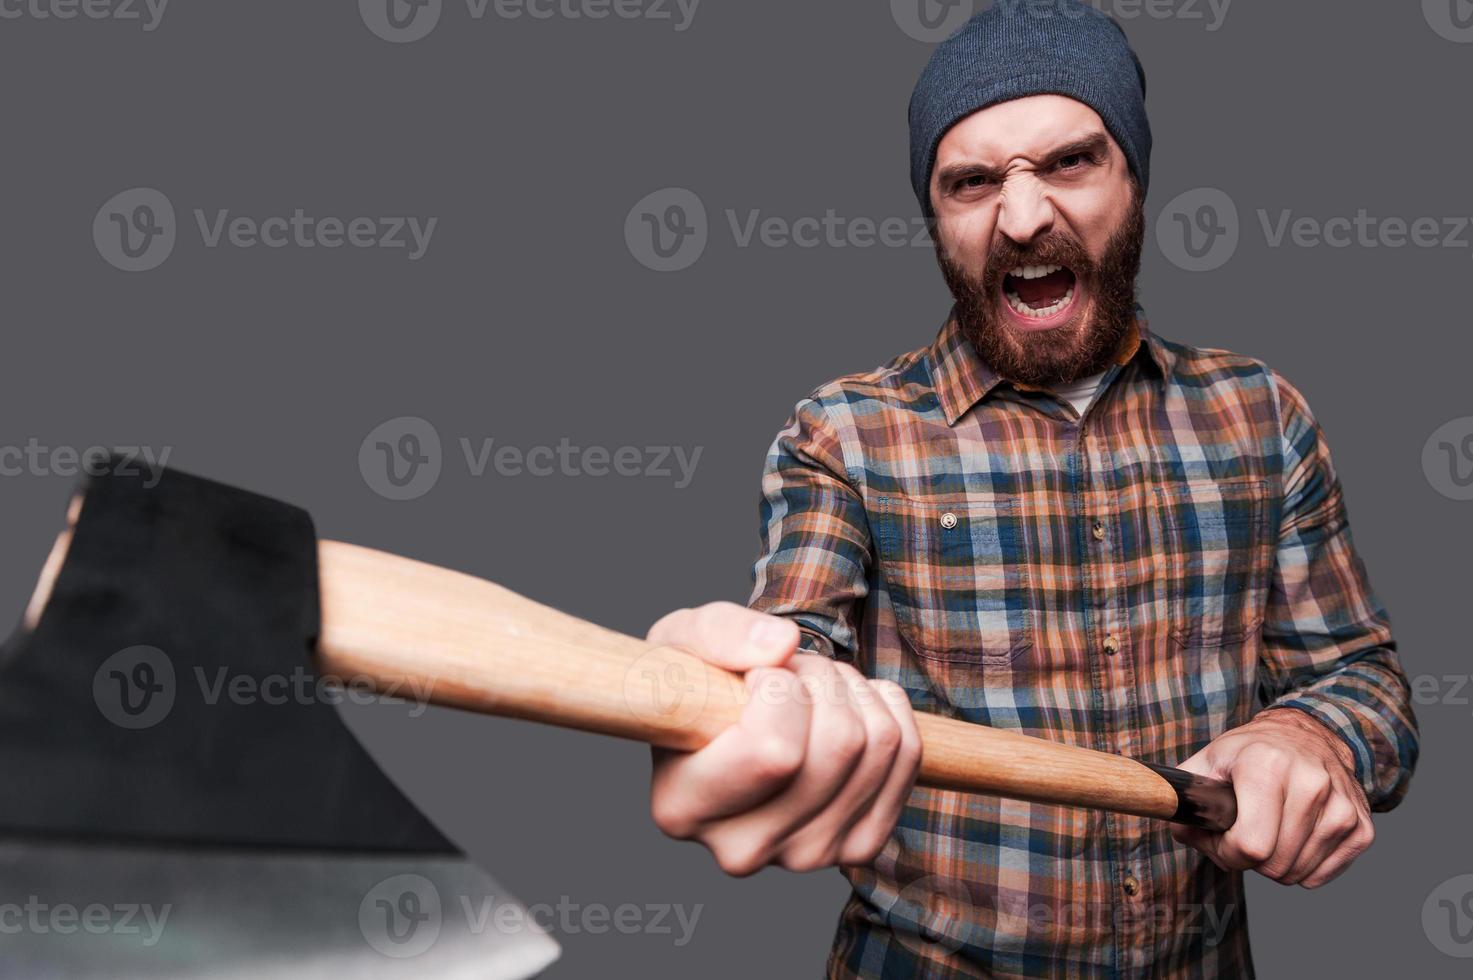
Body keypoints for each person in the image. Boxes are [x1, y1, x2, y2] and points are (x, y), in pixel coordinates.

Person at [644, 2, 1419, 976]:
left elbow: (1369, 683)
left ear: (1134, 180)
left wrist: (1307, 733)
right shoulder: (845, 435)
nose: (1021, 217)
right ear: (936, 218)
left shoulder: (1261, 415)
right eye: (971, 182)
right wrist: (739, 702)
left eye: (1069, 162)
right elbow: (792, 653)